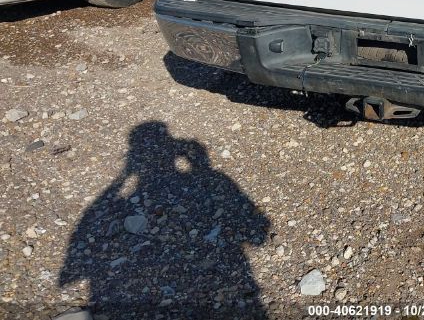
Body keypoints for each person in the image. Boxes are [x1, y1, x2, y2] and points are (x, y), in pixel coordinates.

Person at [60, 121, 270, 318]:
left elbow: (72, 273)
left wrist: (122, 178)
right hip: (231, 285)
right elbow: (258, 234)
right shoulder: (217, 181)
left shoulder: (112, 204)